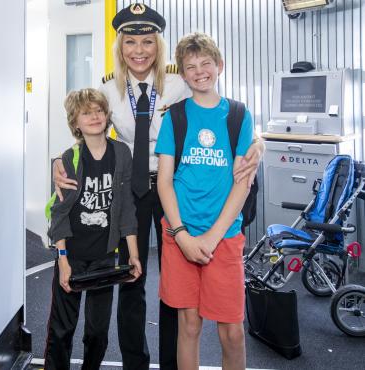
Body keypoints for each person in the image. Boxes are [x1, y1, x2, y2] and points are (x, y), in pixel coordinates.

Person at [53, 4, 263, 370]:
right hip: (128, 192)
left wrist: (258, 144)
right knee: (132, 278)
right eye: (131, 41)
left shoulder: (180, 82)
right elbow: (87, 129)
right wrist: (58, 161)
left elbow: (221, 110)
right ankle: (135, 363)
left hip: (172, 188)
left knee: (175, 286)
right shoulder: (108, 88)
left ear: (158, 46)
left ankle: (171, 363)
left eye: (147, 41)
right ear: (120, 47)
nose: (139, 50)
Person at [156, 32, 253, 370]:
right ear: (182, 74)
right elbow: (165, 182)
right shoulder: (175, 116)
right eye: (190, 66)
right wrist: (182, 234)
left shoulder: (239, 115)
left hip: (223, 238)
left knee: (232, 332)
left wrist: (211, 237)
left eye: (206, 64)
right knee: (190, 324)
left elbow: (242, 185)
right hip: (179, 235)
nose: (199, 71)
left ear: (219, 66)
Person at [44, 88, 142, 370]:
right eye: (86, 112)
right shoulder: (70, 158)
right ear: (75, 122)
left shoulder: (121, 153)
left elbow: (125, 209)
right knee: (62, 329)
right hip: (72, 255)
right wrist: (62, 262)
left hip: (103, 257)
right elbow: (60, 215)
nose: (95, 116)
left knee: (98, 332)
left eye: (99, 110)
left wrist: (132, 255)